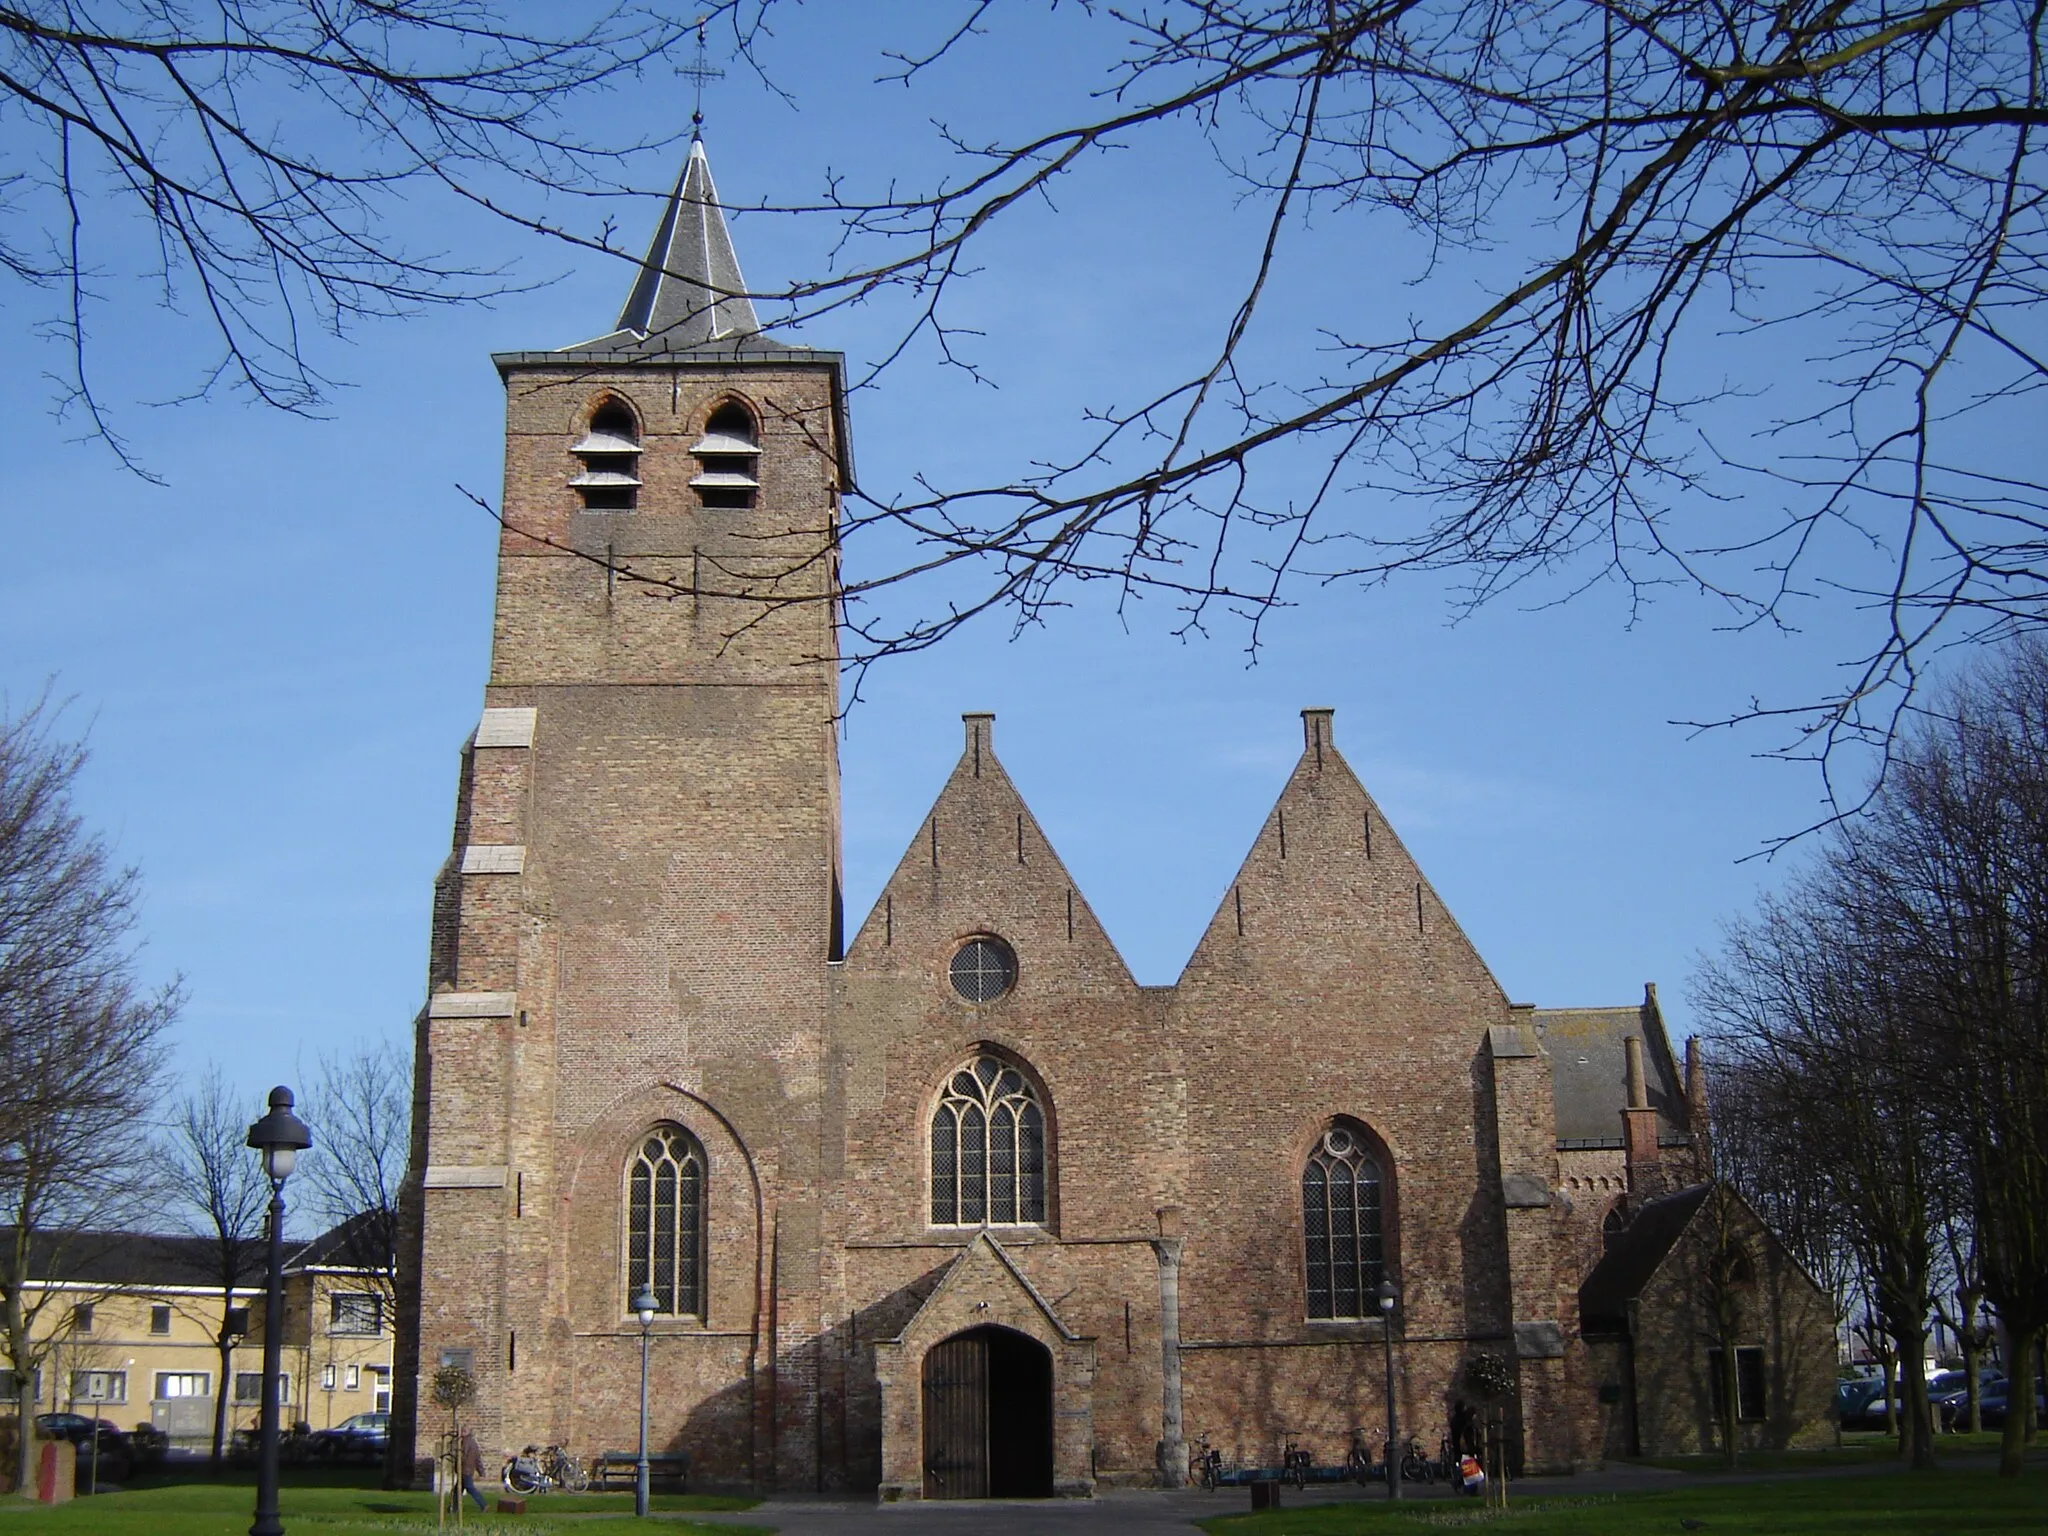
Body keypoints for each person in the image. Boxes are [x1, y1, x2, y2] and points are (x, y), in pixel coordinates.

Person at [460, 1426, 488, 1513]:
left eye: (464, 1431)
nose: (462, 1433)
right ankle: (453, 1508)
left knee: (470, 1488)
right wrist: (481, 1472)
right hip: (468, 1470)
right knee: (458, 1490)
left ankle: (483, 1504)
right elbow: (478, 1460)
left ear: (468, 1433)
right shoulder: (474, 1443)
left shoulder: (465, 1443)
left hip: (465, 1470)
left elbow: (462, 1457)